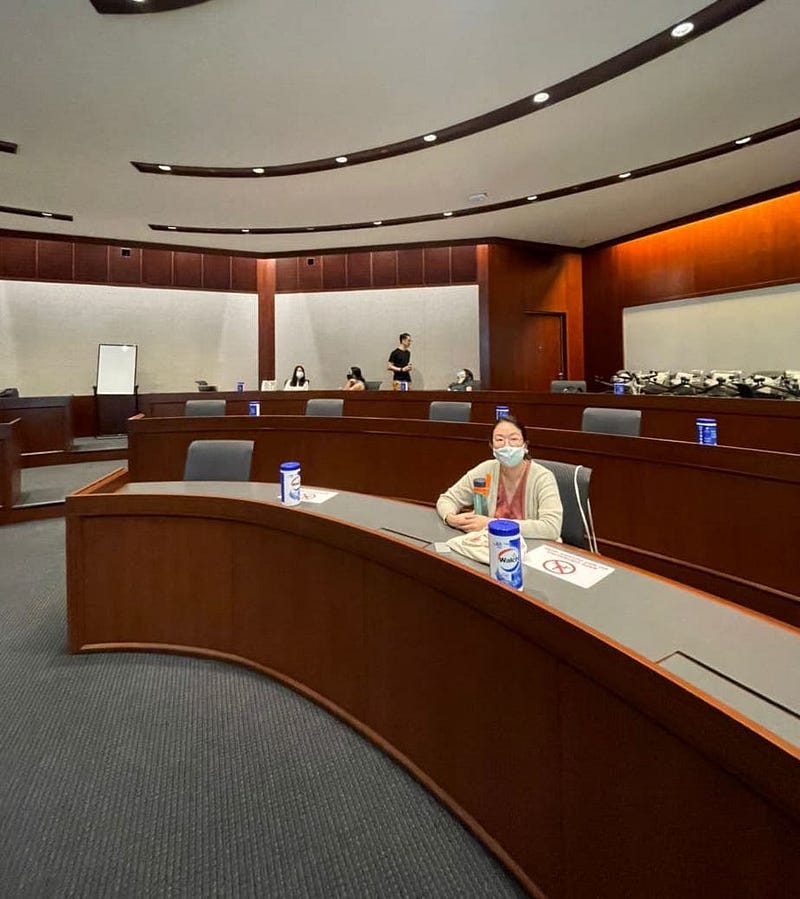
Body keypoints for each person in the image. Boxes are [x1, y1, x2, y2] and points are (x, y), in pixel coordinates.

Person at [436, 415, 563, 540]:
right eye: (499, 439)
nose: (507, 446)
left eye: (514, 439)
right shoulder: (485, 470)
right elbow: (447, 499)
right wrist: (451, 518)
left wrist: (490, 524)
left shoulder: (543, 477)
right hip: (490, 546)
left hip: (532, 549)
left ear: (525, 445)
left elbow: (551, 528)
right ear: (492, 446)